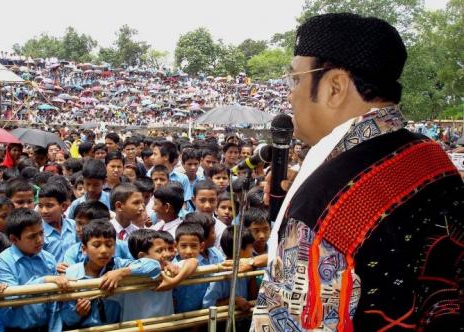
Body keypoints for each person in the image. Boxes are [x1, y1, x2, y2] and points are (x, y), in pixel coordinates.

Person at [252, 13, 463, 331]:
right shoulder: (433, 158)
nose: (289, 94)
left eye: (296, 79)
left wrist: (314, 193)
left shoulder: (322, 210)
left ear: (334, 87)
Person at [61, 219, 155, 328]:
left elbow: (153, 265)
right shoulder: (71, 274)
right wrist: (77, 313)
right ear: (84, 249)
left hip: (117, 328)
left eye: (109, 245)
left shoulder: (119, 265)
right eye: (96, 245)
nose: (104, 250)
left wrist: (122, 273)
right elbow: (65, 319)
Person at [0, 208, 69, 332]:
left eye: (41, 233)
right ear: (14, 239)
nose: (40, 240)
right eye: (32, 236)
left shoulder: (49, 258)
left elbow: (54, 302)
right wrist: (44, 281)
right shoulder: (5, 260)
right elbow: (11, 296)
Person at [172, 222, 209, 313]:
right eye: (183, 246)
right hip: (175, 318)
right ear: (175, 246)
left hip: (200, 317)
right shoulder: (171, 267)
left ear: (202, 246)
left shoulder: (206, 266)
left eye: (193, 246)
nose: (188, 251)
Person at [38, 184, 77, 265]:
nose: (44, 211)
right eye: (40, 206)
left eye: (49, 206)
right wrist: (53, 267)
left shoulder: (74, 226)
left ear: (63, 207)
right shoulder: (37, 232)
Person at [192, 180, 227, 250]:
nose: (207, 206)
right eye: (202, 200)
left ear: (217, 201)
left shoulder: (222, 230)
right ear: (193, 200)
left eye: (212, 200)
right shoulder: (184, 224)